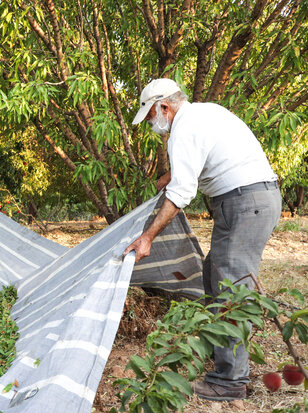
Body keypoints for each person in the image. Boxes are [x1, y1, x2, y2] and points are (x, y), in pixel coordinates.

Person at [124, 78, 281, 401]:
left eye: (152, 117)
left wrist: (148, 237)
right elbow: (204, 162)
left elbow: (183, 192)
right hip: (248, 201)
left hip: (245, 203)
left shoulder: (183, 129)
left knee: (230, 287)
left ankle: (230, 380)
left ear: (164, 106)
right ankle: (223, 355)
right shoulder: (205, 113)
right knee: (215, 272)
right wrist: (169, 176)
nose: (154, 125)